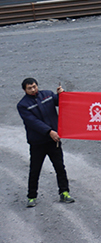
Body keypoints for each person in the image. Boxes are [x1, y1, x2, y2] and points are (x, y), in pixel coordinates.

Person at [16, 77, 74, 208]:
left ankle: (64, 193)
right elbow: (33, 122)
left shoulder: (47, 95)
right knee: (35, 170)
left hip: (54, 141)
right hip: (38, 143)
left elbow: (61, 103)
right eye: (29, 88)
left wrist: (61, 94)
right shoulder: (23, 105)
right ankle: (31, 197)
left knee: (60, 167)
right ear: (24, 90)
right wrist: (49, 131)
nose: (33, 89)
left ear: (37, 85)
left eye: (34, 86)